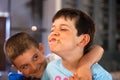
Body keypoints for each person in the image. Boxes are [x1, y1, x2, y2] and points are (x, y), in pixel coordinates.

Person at [42, 8, 112, 80]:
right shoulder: (50, 68)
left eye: (63, 29)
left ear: (83, 40)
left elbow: (98, 49)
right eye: (52, 30)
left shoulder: (100, 75)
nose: (54, 33)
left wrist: (84, 67)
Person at [4, 32, 103, 80]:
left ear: (41, 49)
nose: (34, 68)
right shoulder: (20, 78)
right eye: (25, 66)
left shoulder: (58, 59)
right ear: (17, 68)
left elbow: (97, 49)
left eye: (35, 57)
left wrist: (84, 67)